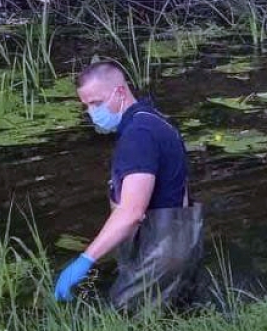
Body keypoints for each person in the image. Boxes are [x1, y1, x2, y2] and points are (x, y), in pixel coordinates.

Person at [54, 61, 204, 310]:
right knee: (176, 318)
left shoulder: (139, 136)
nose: (92, 112)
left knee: (123, 321)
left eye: (97, 103)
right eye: (87, 105)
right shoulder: (156, 121)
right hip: (181, 241)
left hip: (160, 249)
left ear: (120, 92)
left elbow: (132, 212)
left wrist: (86, 259)